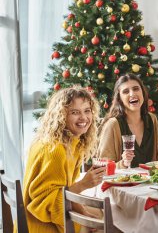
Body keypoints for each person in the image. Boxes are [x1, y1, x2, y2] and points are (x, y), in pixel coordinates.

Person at [23, 87, 104, 232]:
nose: (84, 118)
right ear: (61, 115)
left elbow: (65, 191)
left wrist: (85, 214)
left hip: (49, 220)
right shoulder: (55, 150)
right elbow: (45, 203)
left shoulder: (71, 144)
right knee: (114, 221)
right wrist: (83, 184)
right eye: (75, 112)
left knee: (101, 216)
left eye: (87, 110)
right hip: (43, 227)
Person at [98, 74, 158, 168]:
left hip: (151, 181)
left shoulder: (152, 119)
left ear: (143, 92)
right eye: (126, 91)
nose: (132, 94)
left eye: (136, 89)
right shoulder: (113, 125)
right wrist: (123, 163)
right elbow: (103, 167)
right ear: (119, 99)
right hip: (123, 181)